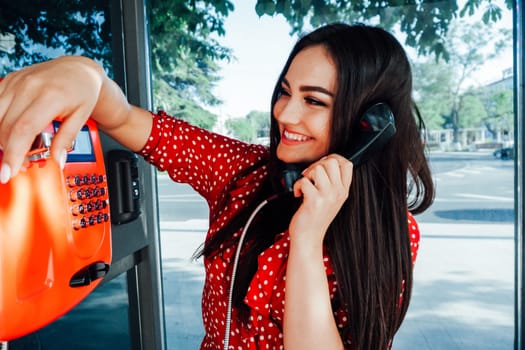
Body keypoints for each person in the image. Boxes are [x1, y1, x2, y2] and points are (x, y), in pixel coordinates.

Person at [0, 22, 434, 349]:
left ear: (369, 125)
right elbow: (129, 121)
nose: (285, 114)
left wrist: (307, 237)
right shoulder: (244, 174)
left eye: (314, 101)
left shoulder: (390, 231)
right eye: (285, 92)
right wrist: (86, 75)